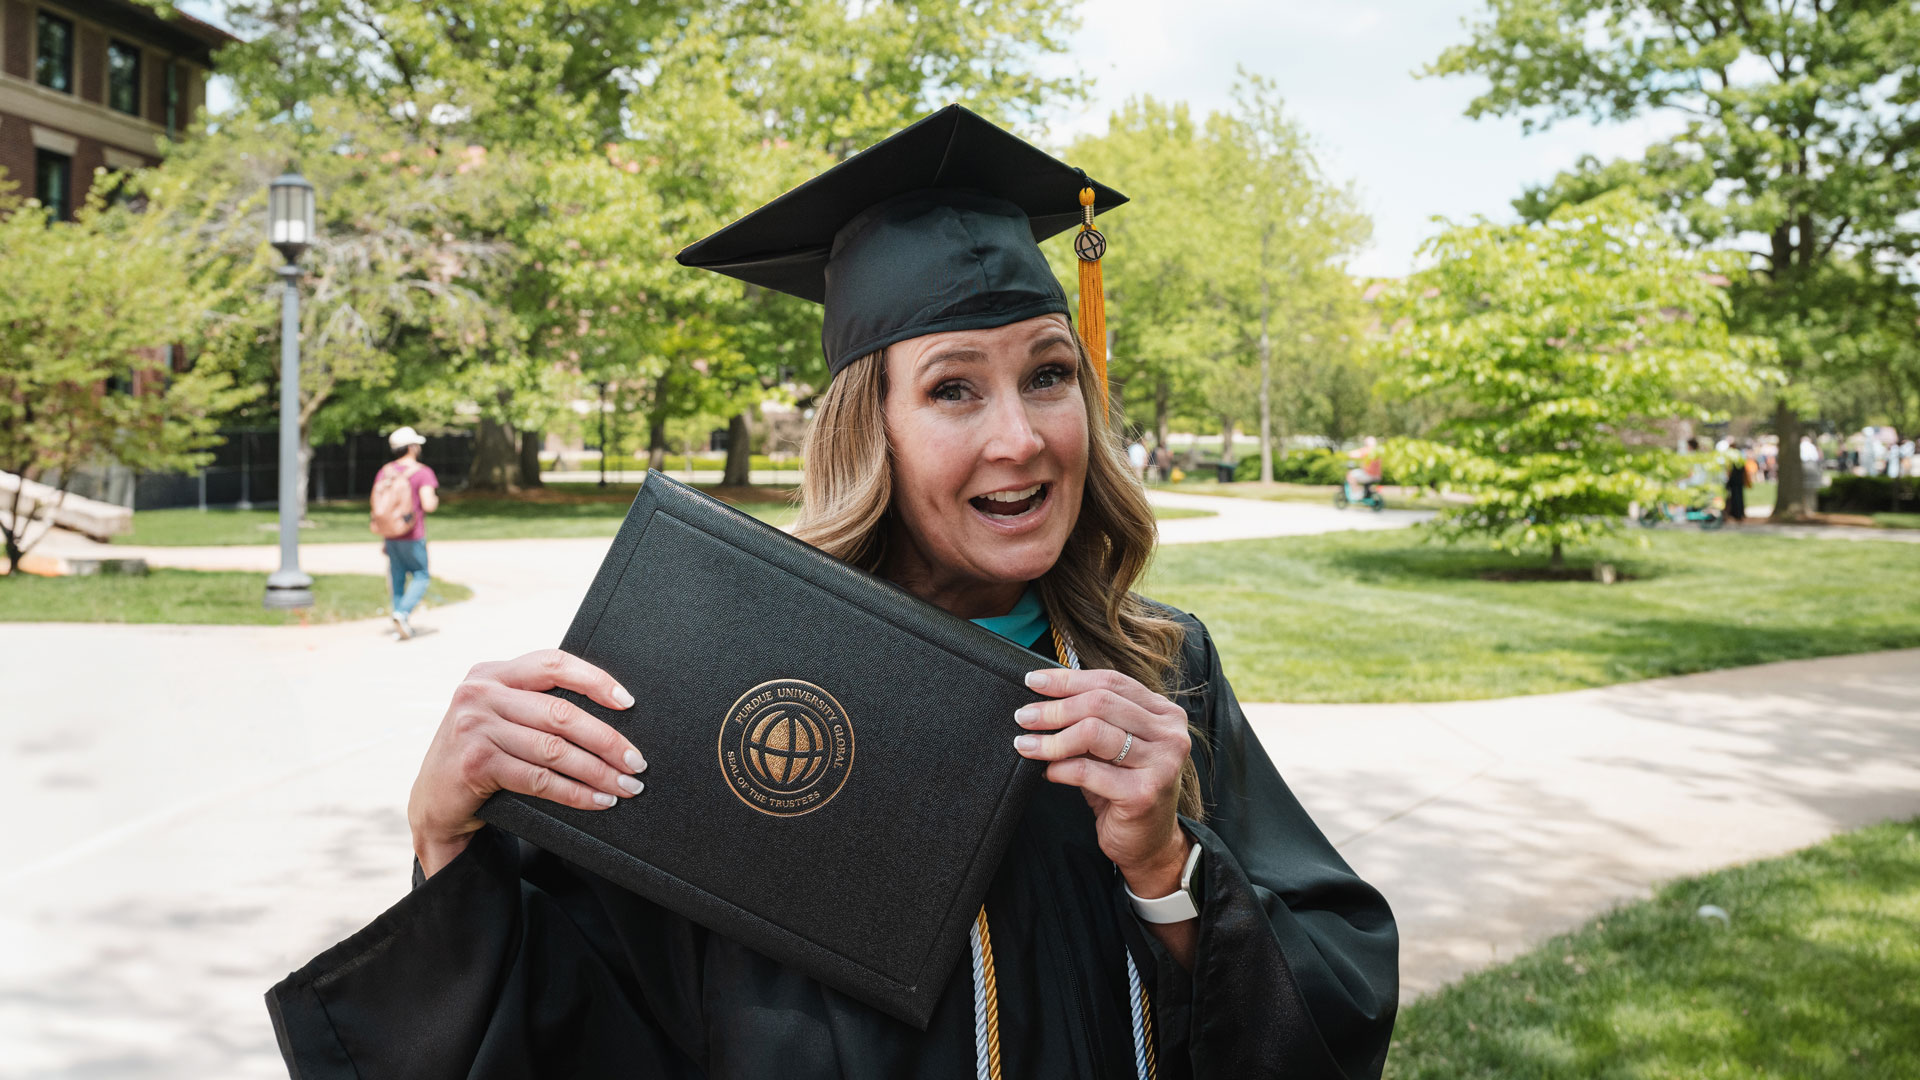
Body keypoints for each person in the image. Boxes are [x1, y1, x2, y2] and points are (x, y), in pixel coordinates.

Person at [269, 106, 1397, 1079]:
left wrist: (1168, 870)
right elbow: (577, 1025)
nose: (1022, 436)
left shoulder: (1160, 671)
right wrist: (444, 839)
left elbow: (1326, 1015)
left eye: (1050, 374)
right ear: (875, 431)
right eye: (954, 389)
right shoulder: (728, 684)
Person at [375, 426, 439, 640]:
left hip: (391, 533)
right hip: (413, 533)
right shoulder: (422, 472)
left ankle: (398, 618)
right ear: (411, 447)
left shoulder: (385, 471)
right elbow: (428, 504)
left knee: (397, 576)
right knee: (421, 575)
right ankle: (401, 613)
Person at [1345, 436, 1383, 502]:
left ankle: (1356, 493)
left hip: (1369, 475)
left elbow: (1354, 454)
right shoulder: (1378, 451)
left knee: (1350, 475)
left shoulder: (1367, 450)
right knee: (1359, 474)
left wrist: (1348, 454)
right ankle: (1363, 493)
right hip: (1377, 476)